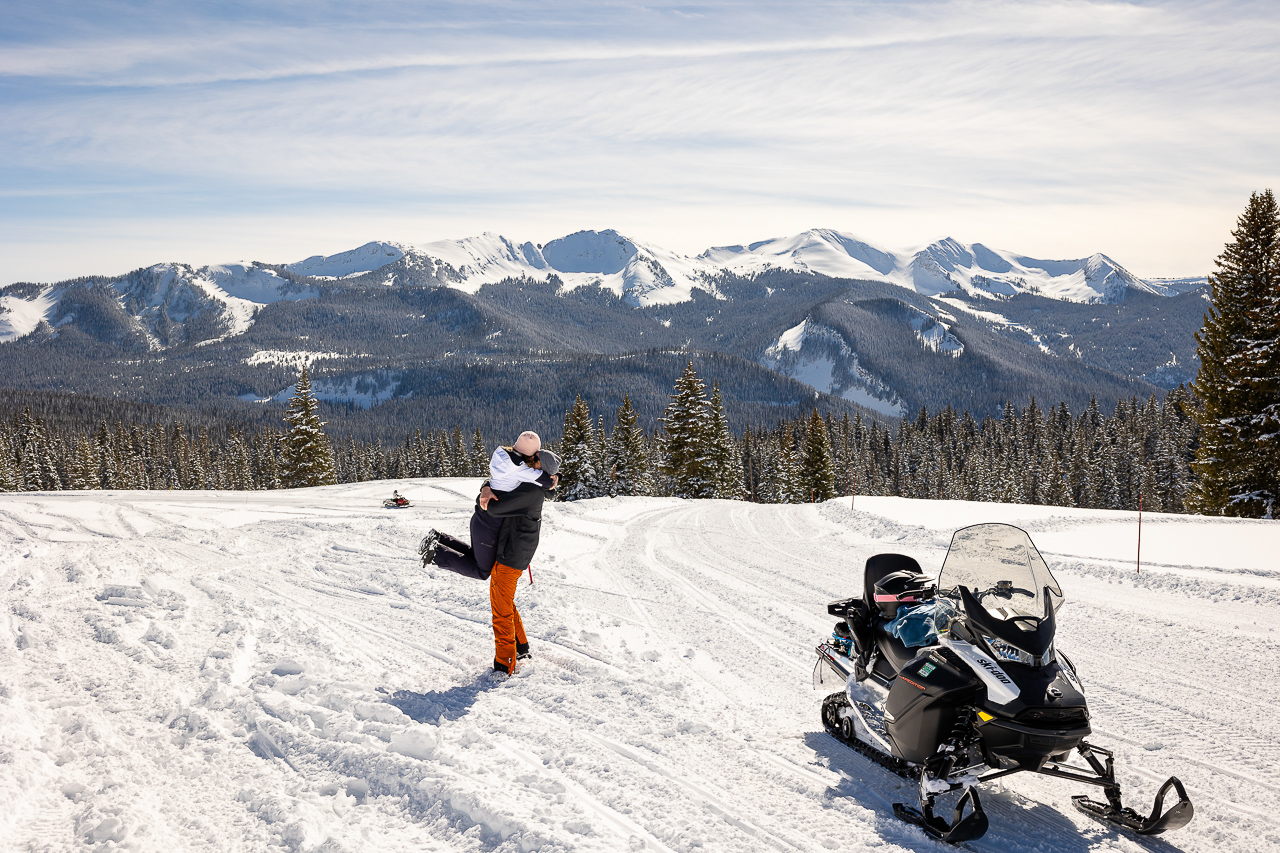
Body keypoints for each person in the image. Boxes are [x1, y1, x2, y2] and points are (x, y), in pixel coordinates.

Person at [419, 439, 560, 675]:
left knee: (501, 609)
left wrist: (484, 495)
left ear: (540, 467)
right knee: (505, 601)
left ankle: (504, 664)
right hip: (511, 551)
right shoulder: (530, 484)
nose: (528, 462)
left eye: (533, 460)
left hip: (510, 557)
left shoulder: (531, 491)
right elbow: (503, 483)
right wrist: (487, 486)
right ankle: (521, 648)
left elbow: (493, 508)